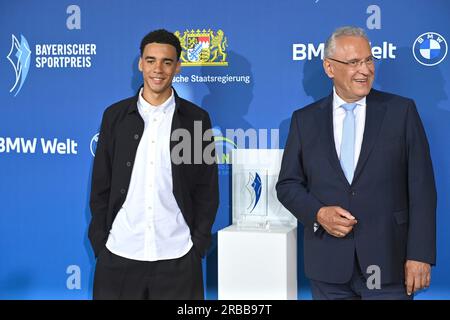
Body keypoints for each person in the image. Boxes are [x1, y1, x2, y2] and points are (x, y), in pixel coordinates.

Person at [276, 26, 436, 300]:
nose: (365, 70)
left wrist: (420, 255)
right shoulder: (304, 120)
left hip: (389, 264)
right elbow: (288, 184)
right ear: (329, 67)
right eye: (353, 63)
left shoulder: (401, 112)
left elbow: (422, 188)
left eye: (369, 60)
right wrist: (318, 214)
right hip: (328, 268)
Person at [88, 29, 219, 300]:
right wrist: (101, 242)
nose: (157, 69)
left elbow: (207, 188)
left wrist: (198, 244)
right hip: (120, 254)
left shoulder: (196, 120)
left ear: (178, 67)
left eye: (166, 62)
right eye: (150, 60)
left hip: (178, 257)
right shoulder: (115, 116)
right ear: (140, 63)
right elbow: (101, 185)